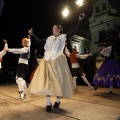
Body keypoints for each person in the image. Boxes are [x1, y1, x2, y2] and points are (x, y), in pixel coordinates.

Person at [28, 13, 85, 112]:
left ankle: (58, 100)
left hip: (58, 61)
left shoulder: (63, 37)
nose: (53, 29)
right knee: (48, 82)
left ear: (59, 30)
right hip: (48, 61)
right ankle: (48, 103)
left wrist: (79, 19)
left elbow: (74, 31)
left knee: (59, 81)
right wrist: (32, 34)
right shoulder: (49, 38)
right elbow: (38, 42)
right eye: (53, 28)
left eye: (55, 28)